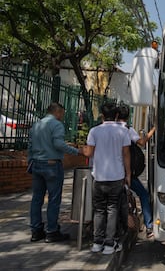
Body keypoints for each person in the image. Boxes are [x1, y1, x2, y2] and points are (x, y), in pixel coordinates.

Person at [28, 102, 84, 243]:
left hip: (36, 163)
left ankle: (36, 230)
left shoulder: (37, 125)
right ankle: (52, 231)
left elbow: (30, 145)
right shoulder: (57, 125)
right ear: (57, 112)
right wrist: (77, 152)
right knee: (54, 199)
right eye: (62, 114)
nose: (62, 117)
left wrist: (30, 161)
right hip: (52, 165)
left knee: (37, 199)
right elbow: (58, 144)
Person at [83, 102, 131, 255]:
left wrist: (82, 149)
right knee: (112, 209)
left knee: (99, 210)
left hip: (99, 176)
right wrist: (128, 174)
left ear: (102, 116)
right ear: (117, 115)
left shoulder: (94, 131)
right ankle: (110, 244)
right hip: (117, 176)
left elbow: (89, 153)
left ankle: (97, 242)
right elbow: (126, 155)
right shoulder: (123, 131)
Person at [117, 105, 156, 238]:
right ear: (128, 117)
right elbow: (142, 142)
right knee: (144, 195)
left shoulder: (103, 129)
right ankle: (149, 226)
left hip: (107, 172)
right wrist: (153, 130)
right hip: (125, 172)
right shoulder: (127, 130)